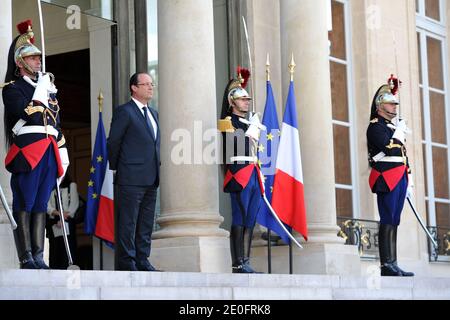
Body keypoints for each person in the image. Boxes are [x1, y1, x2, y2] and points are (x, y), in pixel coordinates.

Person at [1, 20, 69, 269]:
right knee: (25, 203)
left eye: (38, 57)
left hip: (49, 150)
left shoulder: (47, 89)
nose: (38, 61)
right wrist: (41, 89)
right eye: (32, 58)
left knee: (41, 203)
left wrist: (62, 149)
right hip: (28, 151)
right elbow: (26, 113)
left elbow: (56, 124)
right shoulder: (12, 88)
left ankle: (39, 255)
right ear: (20, 63)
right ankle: (25, 256)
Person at [107, 72, 160, 271]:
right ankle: (127, 262)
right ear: (134, 88)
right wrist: (118, 167)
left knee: (145, 223)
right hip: (130, 177)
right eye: (145, 84)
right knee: (128, 222)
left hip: (151, 177)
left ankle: (142, 259)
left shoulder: (154, 114)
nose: (150, 87)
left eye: (151, 84)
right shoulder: (125, 111)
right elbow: (113, 142)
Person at [366, 75, 414, 277]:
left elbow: (402, 156)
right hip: (386, 177)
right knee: (387, 218)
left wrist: (408, 178)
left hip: (399, 176)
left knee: (395, 219)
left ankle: (393, 262)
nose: (395, 107)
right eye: (391, 103)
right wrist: (398, 135)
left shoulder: (392, 128)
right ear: (380, 106)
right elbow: (389, 149)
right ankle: (386, 265)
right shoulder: (376, 127)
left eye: (395, 104)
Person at [218, 67, 264, 273]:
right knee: (240, 216)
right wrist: (251, 129)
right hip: (239, 173)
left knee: (251, 218)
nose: (246, 102)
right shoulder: (227, 122)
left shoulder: (247, 122)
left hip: (253, 171)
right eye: (242, 99)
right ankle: (237, 263)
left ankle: (245, 260)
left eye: (247, 99)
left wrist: (251, 126)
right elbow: (235, 145)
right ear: (232, 101)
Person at [46, 174, 79, 269]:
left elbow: (74, 205)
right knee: (55, 249)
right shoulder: (49, 187)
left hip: (68, 219)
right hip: (54, 221)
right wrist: (58, 214)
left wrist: (63, 218)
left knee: (68, 247)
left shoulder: (71, 185)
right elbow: (47, 205)